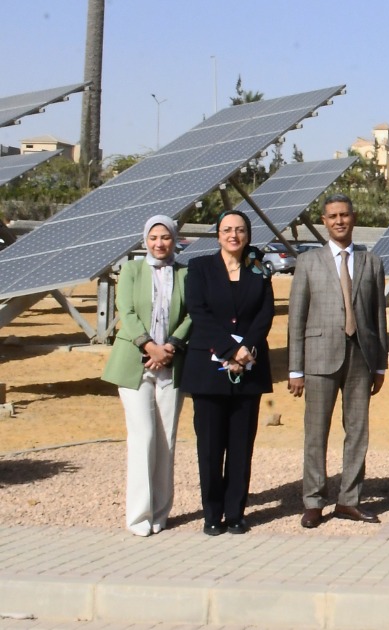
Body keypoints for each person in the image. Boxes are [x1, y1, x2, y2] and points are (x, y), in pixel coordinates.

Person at [288, 194, 387, 529]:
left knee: (357, 431)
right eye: (333, 216)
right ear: (324, 221)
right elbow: (296, 318)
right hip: (319, 358)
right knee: (316, 432)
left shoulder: (371, 262)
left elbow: (377, 315)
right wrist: (295, 368)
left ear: (353, 218)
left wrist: (380, 365)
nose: (339, 221)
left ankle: (349, 500)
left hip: (361, 357)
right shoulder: (308, 262)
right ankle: (314, 501)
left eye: (344, 215)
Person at [181, 210, 274, 536]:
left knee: (240, 448)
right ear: (218, 234)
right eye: (227, 230)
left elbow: (265, 313)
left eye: (240, 230)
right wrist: (229, 350)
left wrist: (247, 348)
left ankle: (235, 513)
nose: (233, 235)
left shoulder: (258, 269)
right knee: (209, 448)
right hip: (208, 371)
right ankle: (212, 514)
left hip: (249, 370)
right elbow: (198, 311)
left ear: (248, 235)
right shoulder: (200, 268)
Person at [101, 216, 190, 537]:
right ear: (145, 240)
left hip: (171, 363)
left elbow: (192, 314)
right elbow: (126, 312)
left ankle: (161, 512)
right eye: (153, 237)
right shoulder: (132, 270)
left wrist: (170, 347)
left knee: (166, 440)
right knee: (144, 437)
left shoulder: (185, 273)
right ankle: (139, 515)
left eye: (165, 237)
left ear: (174, 239)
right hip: (135, 364)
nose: (159, 243)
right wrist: (149, 346)